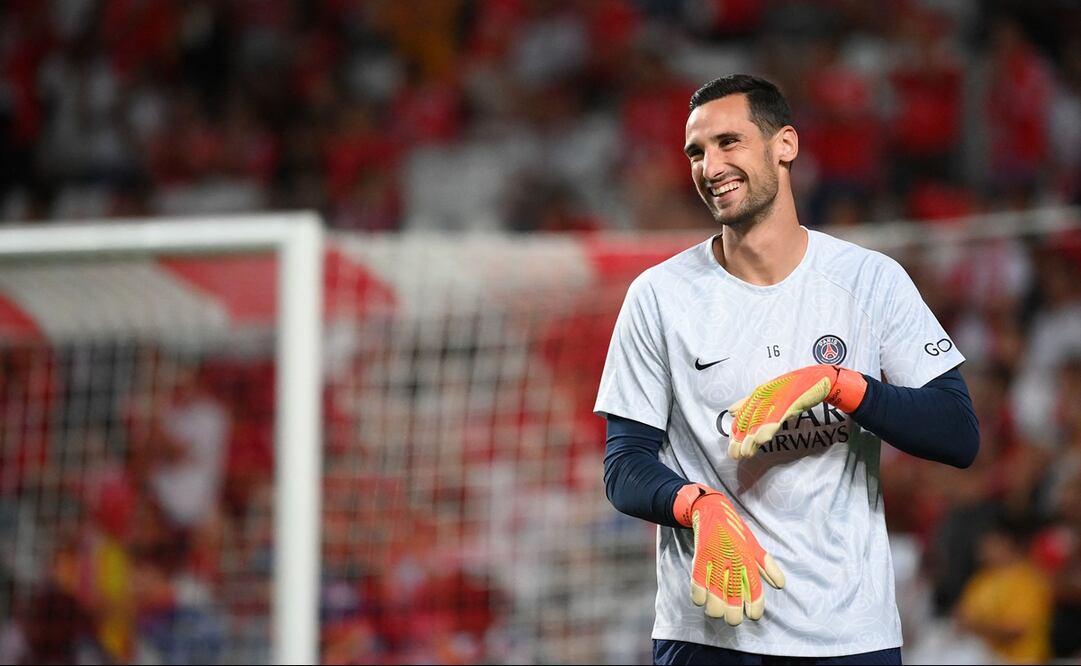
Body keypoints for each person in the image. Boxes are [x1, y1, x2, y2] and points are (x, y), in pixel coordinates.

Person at [595, 74, 979, 665]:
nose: (709, 165)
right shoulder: (659, 296)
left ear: (786, 146)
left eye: (729, 142)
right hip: (711, 632)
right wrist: (698, 505)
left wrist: (840, 385)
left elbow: (957, 432)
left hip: (851, 633)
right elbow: (624, 466)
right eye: (696, 151)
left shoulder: (868, 280)